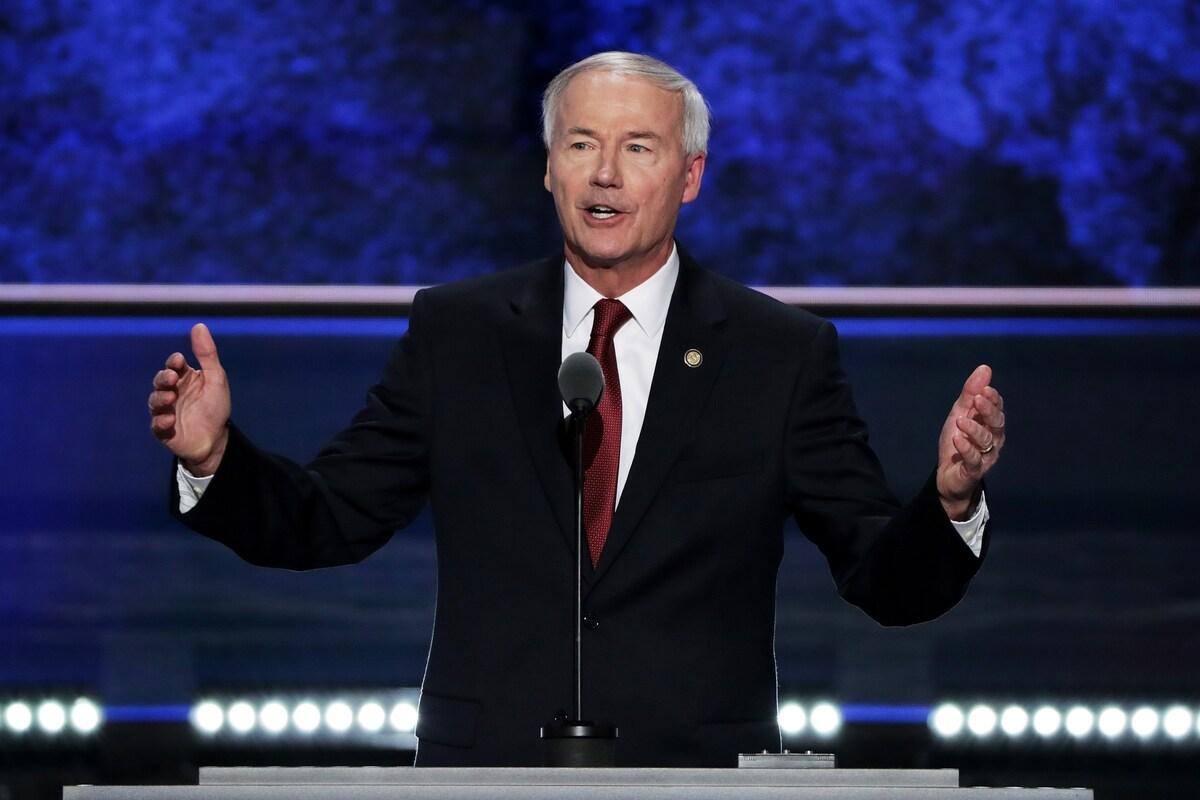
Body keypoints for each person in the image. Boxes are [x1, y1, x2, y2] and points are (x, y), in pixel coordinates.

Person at [148, 52, 1005, 767]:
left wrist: (952, 502)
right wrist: (215, 459)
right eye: (582, 143)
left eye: (638, 147)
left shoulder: (777, 353)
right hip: (489, 772)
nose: (605, 173)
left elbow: (882, 578)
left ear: (690, 175)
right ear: (549, 166)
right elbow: (328, 518)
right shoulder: (459, 333)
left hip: (698, 777)